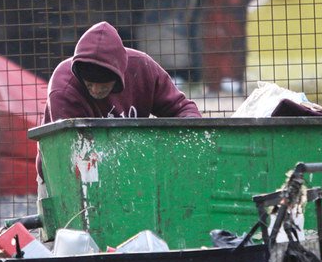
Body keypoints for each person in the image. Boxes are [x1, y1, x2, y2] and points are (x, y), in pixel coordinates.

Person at [36, 21, 201, 188]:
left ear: (119, 76)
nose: (95, 90)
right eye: (89, 84)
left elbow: (182, 109)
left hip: (131, 170)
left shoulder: (142, 68)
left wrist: (189, 146)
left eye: (104, 84)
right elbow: (72, 157)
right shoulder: (64, 89)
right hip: (66, 174)